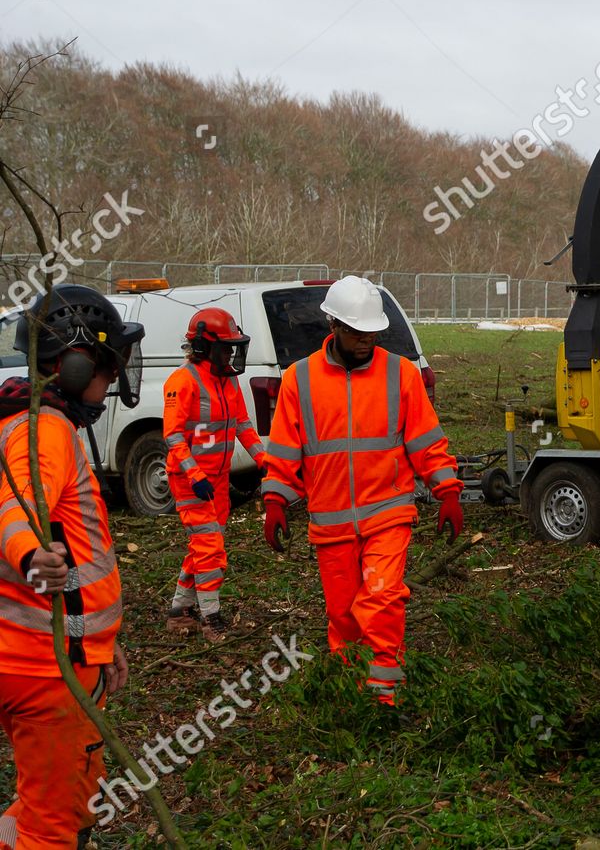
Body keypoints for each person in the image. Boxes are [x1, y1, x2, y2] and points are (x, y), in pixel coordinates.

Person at [260, 276, 463, 706]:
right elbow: (283, 448)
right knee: (343, 617)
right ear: (332, 325)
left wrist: (446, 489)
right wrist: (275, 501)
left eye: (372, 331)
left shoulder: (400, 374)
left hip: (388, 512)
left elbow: (426, 441)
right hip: (331, 522)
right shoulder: (300, 380)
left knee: (383, 596)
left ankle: (385, 696)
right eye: (357, 331)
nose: (367, 339)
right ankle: (352, 697)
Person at [0, 285, 141, 850]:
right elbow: (18, 507)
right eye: (108, 371)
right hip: (44, 670)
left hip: (50, 649)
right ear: (77, 364)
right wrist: (32, 553)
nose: (110, 386)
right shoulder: (45, 432)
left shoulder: (17, 421)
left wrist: (102, 642)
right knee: (56, 824)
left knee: (48, 803)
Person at [164, 308, 268, 641]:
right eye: (225, 347)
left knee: (207, 544)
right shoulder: (182, 381)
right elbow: (173, 435)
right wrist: (193, 473)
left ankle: (180, 611)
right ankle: (211, 617)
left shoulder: (229, 380)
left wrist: (262, 458)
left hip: (219, 480)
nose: (231, 353)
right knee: (209, 547)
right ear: (204, 347)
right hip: (190, 480)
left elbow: (242, 424)